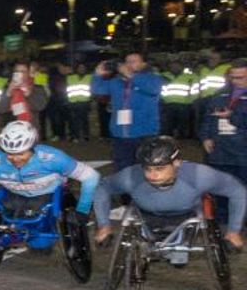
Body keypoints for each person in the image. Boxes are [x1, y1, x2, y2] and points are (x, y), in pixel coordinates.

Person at [93, 136, 247, 251]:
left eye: (160, 169)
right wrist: (104, 226)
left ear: (177, 163)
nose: (152, 175)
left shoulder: (199, 175)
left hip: (187, 215)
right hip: (145, 215)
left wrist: (234, 231)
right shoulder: (130, 177)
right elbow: (102, 189)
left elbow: (237, 190)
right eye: (148, 168)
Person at [0, 121, 99, 230]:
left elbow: (91, 176)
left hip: (49, 195)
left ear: (32, 148)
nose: (15, 159)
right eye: (10, 154)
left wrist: (83, 210)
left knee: (41, 241)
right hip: (14, 196)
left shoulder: (54, 158)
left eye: (21, 154)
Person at [92, 52, 163, 172]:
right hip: (120, 134)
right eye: (127, 61)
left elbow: (153, 89)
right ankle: (124, 190)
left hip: (145, 133)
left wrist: (130, 75)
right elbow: (98, 90)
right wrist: (97, 75)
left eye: (134, 61)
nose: (129, 64)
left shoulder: (153, 78)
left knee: (145, 168)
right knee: (122, 169)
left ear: (143, 64)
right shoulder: (116, 81)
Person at [199, 59, 247, 228]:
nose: (236, 81)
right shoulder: (220, 94)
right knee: (219, 189)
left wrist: (231, 117)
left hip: (243, 153)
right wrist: (205, 137)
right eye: (232, 77)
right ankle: (221, 224)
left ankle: (239, 223)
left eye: (240, 77)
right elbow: (207, 118)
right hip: (220, 151)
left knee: (242, 190)